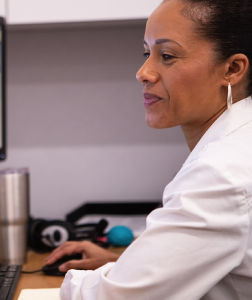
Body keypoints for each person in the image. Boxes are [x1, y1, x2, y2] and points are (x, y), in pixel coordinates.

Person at [45, 0, 252, 299]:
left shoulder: (221, 172)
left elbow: (113, 298)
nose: (143, 72)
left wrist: (81, 280)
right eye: (146, 53)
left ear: (232, 69)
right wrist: (128, 261)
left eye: (166, 55)